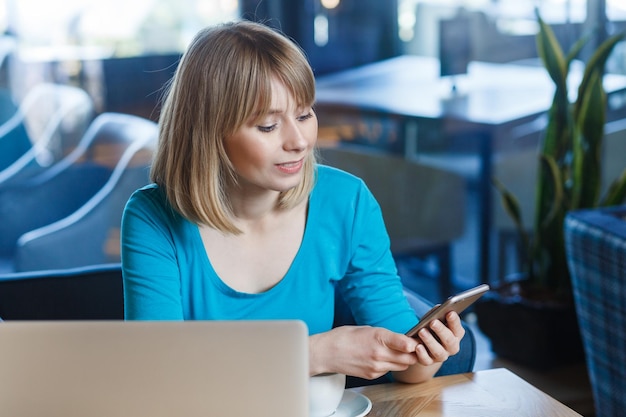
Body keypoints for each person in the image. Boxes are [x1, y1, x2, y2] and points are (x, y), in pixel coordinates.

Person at [121, 20, 465, 384]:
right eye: (268, 126)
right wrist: (316, 353)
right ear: (208, 133)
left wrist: (427, 352)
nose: (299, 141)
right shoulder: (152, 218)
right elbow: (156, 373)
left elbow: (407, 366)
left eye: (304, 114)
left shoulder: (346, 202)